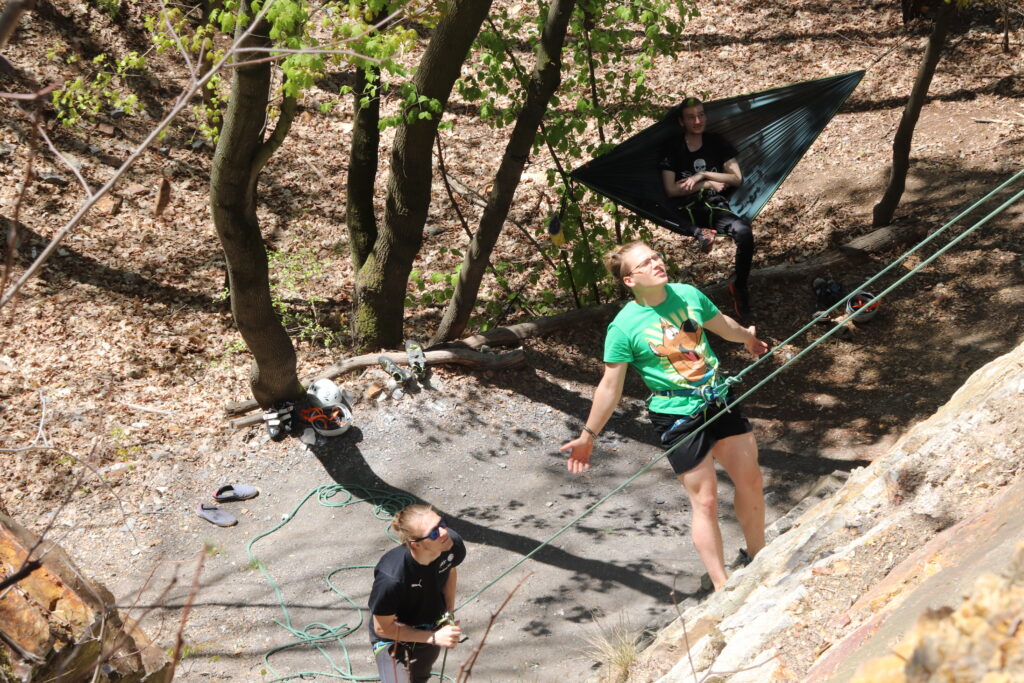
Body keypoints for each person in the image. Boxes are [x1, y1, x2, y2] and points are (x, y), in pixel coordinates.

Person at [560, 241, 768, 591]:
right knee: (705, 500)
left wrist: (745, 339)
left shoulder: (687, 294)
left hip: (718, 398)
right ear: (630, 281)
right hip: (676, 415)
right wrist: (588, 435)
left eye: (656, 255)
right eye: (646, 262)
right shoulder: (623, 328)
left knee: (751, 480)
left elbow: (721, 324)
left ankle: (759, 555)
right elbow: (610, 387)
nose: (657, 262)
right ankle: (723, 586)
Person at [659, 97, 755, 320]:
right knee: (657, 206)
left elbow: (736, 178)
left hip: (714, 207)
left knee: (744, 232)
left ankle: (739, 287)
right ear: (682, 122)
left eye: (701, 115)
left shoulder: (716, 142)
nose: (697, 120)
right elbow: (671, 190)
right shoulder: (673, 148)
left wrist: (703, 175)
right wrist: (708, 184)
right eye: (691, 117)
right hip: (685, 209)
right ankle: (699, 232)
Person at [368, 504, 465, 683]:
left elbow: (450, 571)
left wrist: (448, 614)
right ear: (416, 543)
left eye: (442, 524)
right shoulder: (392, 578)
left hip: (430, 625)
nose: (444, 532)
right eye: (434, 533)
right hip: (393, 637)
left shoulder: (452, 545)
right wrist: (433, 637)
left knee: (419, 677)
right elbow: (382, 628)